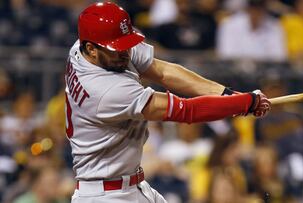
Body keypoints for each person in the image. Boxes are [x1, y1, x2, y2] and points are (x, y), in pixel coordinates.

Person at [66, 2, 271, 203]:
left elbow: (164, 71)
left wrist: (227, 94)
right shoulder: (106, 91)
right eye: (117, 48)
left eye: (125, 44)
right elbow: (187, 110)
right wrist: (243, 104)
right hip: (105, 195)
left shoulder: (86, 48)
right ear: (91, 49)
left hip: (131, 185)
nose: (125, 52)